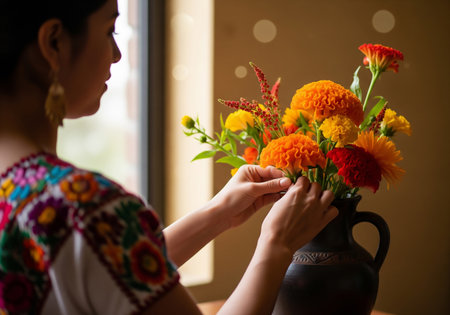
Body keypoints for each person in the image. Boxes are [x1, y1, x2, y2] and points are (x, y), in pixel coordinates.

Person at [0, 0, 338, 314]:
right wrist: (277, 245)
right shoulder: (81, 203)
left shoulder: (49, 202)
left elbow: (105, 267)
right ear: (53, 43)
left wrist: (219, 214)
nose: (116, 55)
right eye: (109, 31)